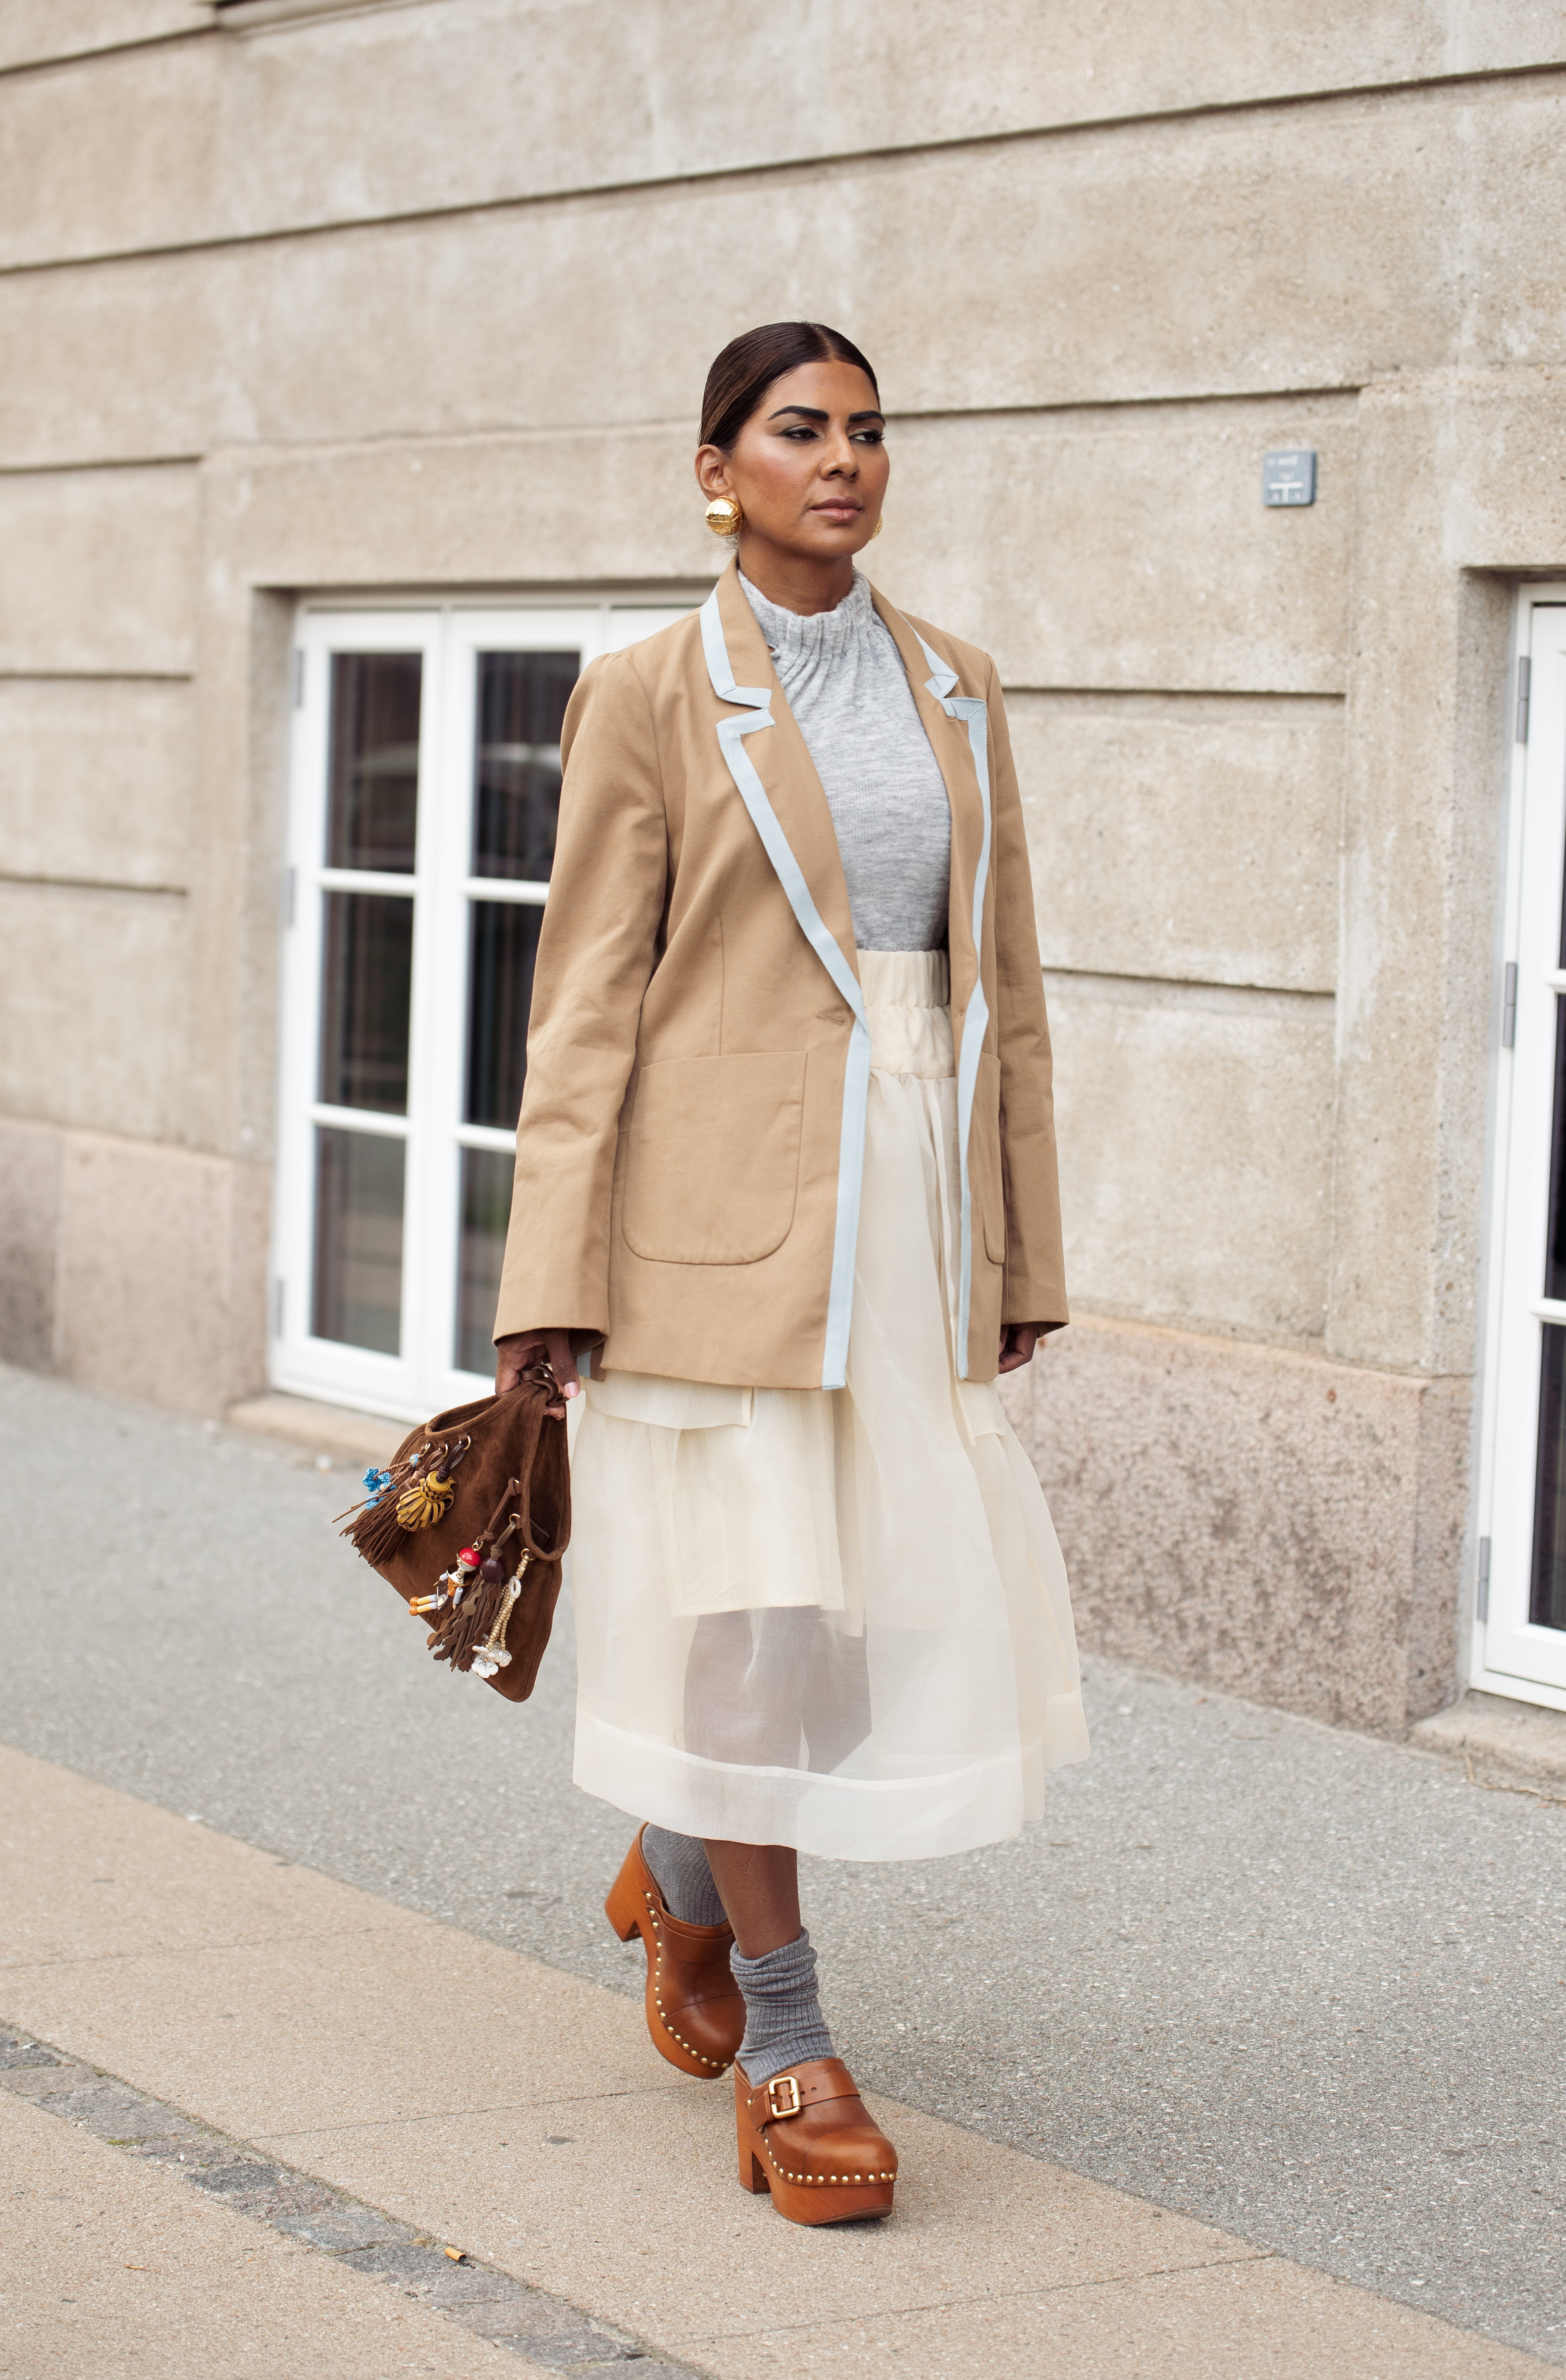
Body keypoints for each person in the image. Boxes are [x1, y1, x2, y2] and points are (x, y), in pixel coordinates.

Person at [493, 320, 1088, 2226]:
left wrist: (1020, 1232)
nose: (843, 460)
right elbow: (586, 1001)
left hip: (911, 1221)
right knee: (756, 1621)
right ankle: (786, 2025)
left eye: (868, 432)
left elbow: (1010, 1002)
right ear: (717, 467)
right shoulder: (654, 691)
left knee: (843, 1627)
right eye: (798, 430)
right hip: (720, 1227)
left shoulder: (963, 690)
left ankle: (676, 1866)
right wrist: (547, 1273)